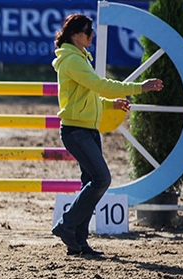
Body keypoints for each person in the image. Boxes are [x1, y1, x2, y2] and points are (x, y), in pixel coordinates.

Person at [51, 14, 163, 256]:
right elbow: (100, 84)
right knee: (101, 180)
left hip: (87, 129)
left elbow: (87, 97)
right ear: (74, 35)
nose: (92, 34)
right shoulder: (72, 60)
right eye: (88, 31)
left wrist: (111, 105)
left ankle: (78, 242)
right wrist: (139, 87)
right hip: (76, 131)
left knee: (89, 182)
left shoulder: (78, 57)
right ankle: (66, 225)